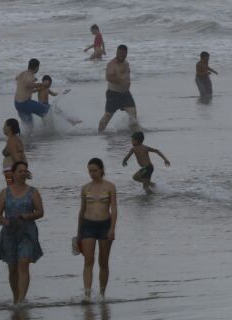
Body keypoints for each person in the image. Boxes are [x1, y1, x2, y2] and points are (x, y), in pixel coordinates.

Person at [0, 161, 43, 305]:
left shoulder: (33, 192)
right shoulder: (5, 192)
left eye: (24, 171)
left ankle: (22, 299)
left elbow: (40, 212)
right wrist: (6, 222)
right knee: (12, 268)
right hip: (9, 233)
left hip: (27, 232)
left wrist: (27, 216)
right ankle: (15, 297)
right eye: (19, 171)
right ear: (13, 174)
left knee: (23, 263)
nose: (22, 174)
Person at [76, 157, 117, 302]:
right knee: (88, 260)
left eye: (94, 170)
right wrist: (78, 232)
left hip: (105, 225)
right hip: (88, 225)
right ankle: (87, 295)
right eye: (89, 171)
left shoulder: (110, 187)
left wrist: (112, 228)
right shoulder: (85, 188)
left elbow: (114, 209)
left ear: (101, 170)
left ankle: (102, 294)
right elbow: (82, 210)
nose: (92, 173)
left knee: (103, 262)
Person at [98, 45, 139, 131]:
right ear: (116, 52)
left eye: (123, 53)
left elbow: (127, 76)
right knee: (107, 116)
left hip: (125, 94)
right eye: (119, 53)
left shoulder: (126, 63)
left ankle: (134, 133)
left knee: (133, 113)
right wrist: (120, 81)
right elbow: (108, 78)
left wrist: (126, 83)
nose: (121, 55)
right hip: (113, 94)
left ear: (126, 53)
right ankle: (100, 132)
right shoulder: (111, 64)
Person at [12, 58, 47, 128]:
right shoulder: (31, 76)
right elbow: (28, 84)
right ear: (37, 67)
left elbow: (16, 78)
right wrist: (41, 84)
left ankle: (26, 137)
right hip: (25, 103)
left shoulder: (22, 73)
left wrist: (31, 81)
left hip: (17, 104)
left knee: (28, 125)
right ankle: (48, 131)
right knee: (46, 112)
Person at [1, 120, 26, 184]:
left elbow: (15, 157)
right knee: (17, 189)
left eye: (4, 126)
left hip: (10, 171)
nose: (3, 128)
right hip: (13, 170)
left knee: (11, 189)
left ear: (9, 127)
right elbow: (22, 156)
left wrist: (21, 170)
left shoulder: (11, 140)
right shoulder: (16, 139)